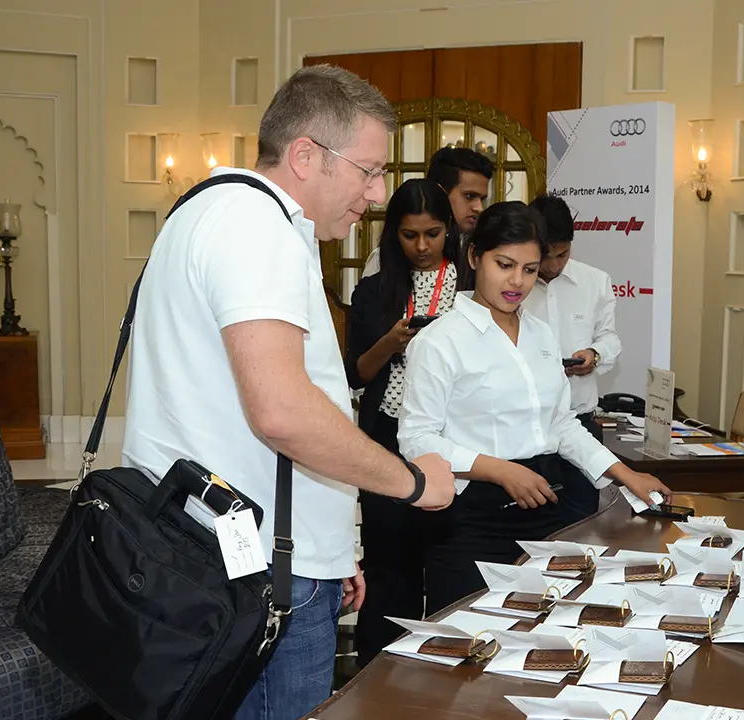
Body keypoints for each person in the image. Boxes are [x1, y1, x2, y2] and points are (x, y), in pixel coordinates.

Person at [121, 65, 456, 720]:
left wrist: (335, 545)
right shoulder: (257, 230)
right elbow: (280, 412)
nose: (378, 191)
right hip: (257, 574)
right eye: (367, 169)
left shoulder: (207, 210)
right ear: (306, 155)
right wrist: (413, 483)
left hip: (227, 552)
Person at [397, 201, 672, 613]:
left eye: (529, 269)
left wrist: (625, 474)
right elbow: (416, 440)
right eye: (504, 264)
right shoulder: (439, 341)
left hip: (546, 504)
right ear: (475, 257)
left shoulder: (541, 334)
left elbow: (560, 425)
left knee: (546, 639)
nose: (517, 281)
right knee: (469, 645)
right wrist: (501, 470)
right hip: (473, 517)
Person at [345, 178, 460, 667]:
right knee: (389, 557)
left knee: (449, 554)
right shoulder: (373, 290)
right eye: (409, 235)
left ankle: (446, 658)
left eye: (432, 233)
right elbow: (356, 372)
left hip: (454, 433)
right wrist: (390, 344)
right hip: (387, 434)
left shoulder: (474, 286)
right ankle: (380, 667)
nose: (421, 246)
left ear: (448, 230)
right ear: (393, 233)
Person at [522, 193, 621, 519]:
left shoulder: (595, 282)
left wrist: (595, 354)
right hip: (525, 431)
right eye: (546, 256)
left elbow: (609, 338)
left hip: (579, 419)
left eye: (562, 255)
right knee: (529, 529)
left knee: (582, 527)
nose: (552, 266)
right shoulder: (512, 287)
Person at [363, 147, 493, 276]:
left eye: (482, 199)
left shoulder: (479, 252)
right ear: (440, 191)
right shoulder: (384, 261)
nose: (479, 208)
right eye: (470, 196)